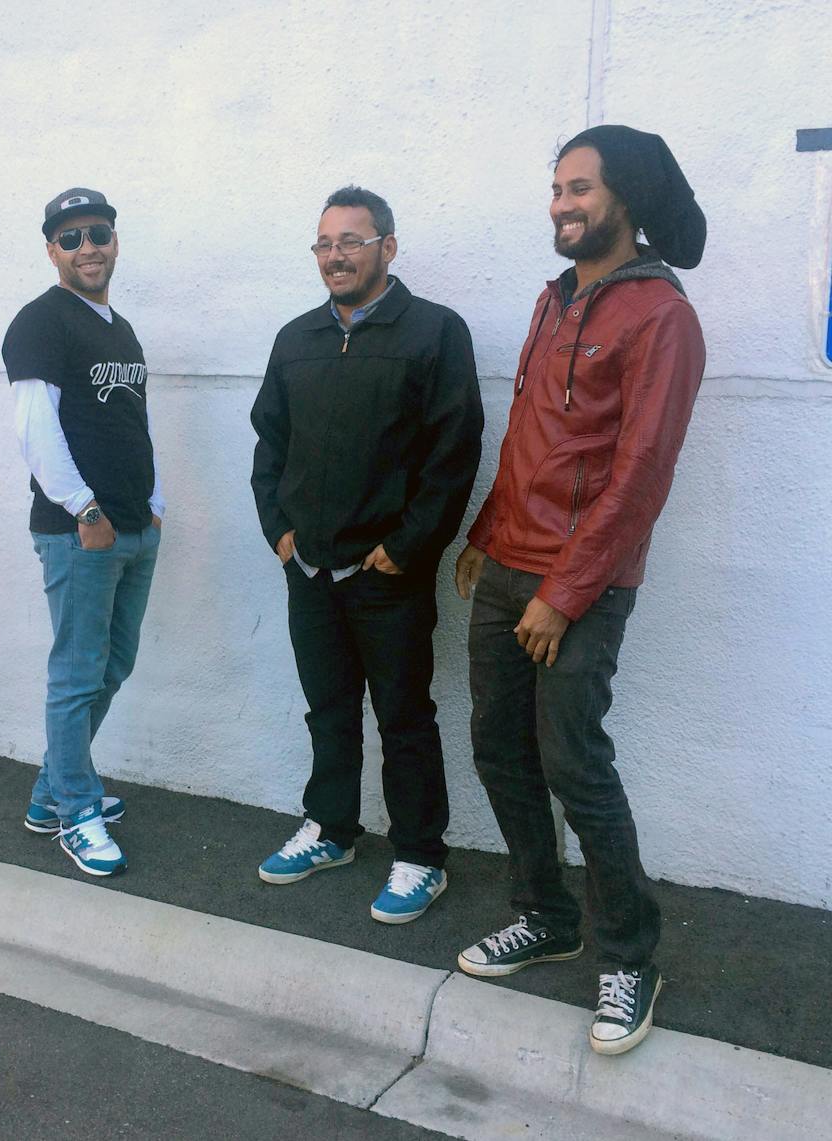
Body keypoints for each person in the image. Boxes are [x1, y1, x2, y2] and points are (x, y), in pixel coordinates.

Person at [453, 126, 706, 1056]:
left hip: (581, 582)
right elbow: (531, 434)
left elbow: (640, 473)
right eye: (555, 186)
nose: (562, 203)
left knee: (573, 762)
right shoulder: (554, 300)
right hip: (511, 562)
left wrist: (564, 592)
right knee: (499, 746)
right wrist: (486, 532)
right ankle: (545, 914)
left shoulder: (661, 318)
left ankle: (631, 953)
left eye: (581, 188)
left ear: (627, 199)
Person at [250, 186, 482, 922]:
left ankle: (419, 854)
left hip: (387, 574)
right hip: (310, 569)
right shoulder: (296, 338)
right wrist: (281, 535)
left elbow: (454, 454)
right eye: (324, 243)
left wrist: (406, 549)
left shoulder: (434, 333)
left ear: (388, 245)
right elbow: (270, 446)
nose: (336, 255)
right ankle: (331, 829)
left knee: (404, 715)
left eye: (351, 240)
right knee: (328, 708)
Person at [1, 188, 164, 876]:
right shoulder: (41, 323)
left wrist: (152, 503)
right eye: (70, 238)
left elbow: (131, 422)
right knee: (75, 674)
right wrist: (85, 510)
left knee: (112, 663)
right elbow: (35, 429)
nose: (87, 246)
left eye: (97, 232)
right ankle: (75, 811)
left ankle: (52, 792)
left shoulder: (118, 328)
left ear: (115, 241)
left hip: (133, 528)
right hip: (82, 532)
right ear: (51, 251)